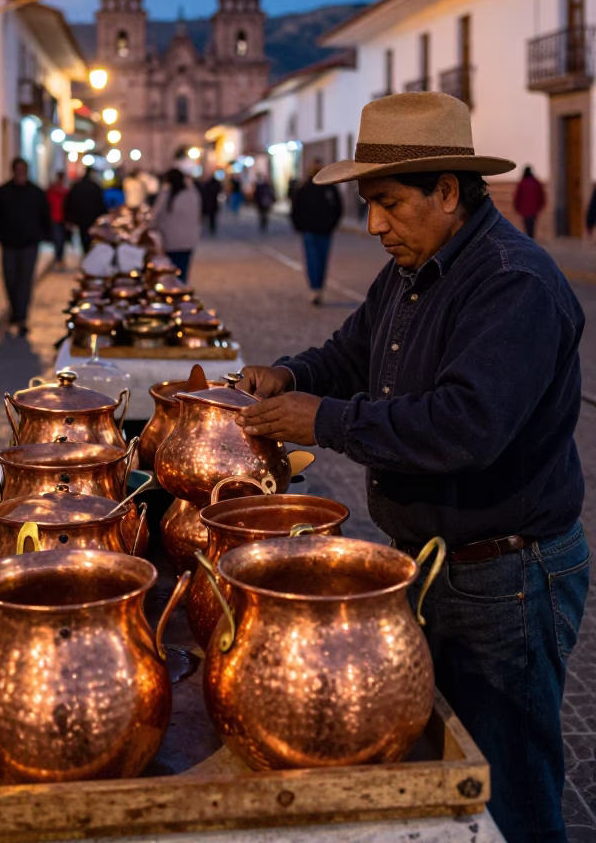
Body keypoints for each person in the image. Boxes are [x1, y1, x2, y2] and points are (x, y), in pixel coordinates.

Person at [234, 92, 589, 843]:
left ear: (449, 192)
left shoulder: (511, 283)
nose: (374, 226)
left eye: (389, 203)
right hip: (433, 566)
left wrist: (323, 422)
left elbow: (465, 428)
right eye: (368, 205)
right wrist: (290, 377)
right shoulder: (411, 267)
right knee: (446, 769)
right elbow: (352, 354)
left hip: (507, 578)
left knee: (506, 784)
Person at [0, 157, 51, 335]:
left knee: (25, 281)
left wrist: (45, 235)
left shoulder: (36, 192)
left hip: (29, 244)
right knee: (10, 280)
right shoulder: (3, 192)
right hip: (8, 243)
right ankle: (15, 310)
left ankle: (21, 317)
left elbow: (44, 214)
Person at [290, 159, 343, 305]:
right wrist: (299, 225)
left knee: (320, 260)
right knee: (314, 260)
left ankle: (317, 287)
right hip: (310, 230)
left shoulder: (329, 188)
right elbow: (296, 208)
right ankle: (315, 288)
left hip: (323, 230)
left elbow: (338, 208)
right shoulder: (305, 188)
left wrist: (331, 224)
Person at [151, 167, 201, 281]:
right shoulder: (192, 194)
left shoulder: (166, 194)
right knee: (182, 271)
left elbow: (155, 215)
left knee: (170, 271)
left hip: (170, 240)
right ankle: (181, 292)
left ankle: (172, 292)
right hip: (189, 240)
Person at [64, 166, 105, 254]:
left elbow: (70, 202)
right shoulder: (95, 186)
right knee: (92, 237)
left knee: (84, 237)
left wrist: (70, 218)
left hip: (81, 218)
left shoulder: (78, 186)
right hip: (92, 217)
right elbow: (101, 203)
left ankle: (86, 253)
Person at [513, 165, 546, 239]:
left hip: (524, 209)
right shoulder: (536, 183)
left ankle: (529, 238)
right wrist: (541, 206)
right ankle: (531, 238)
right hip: (534, 209)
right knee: (532, 225)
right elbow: (541, 195)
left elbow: (517, 197)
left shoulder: (522, 183)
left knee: (527, 225)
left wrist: (516, 207)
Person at [46, 170, 69, 269]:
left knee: (61, 240)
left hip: (62, 219)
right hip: (55, 218)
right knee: (57, 239)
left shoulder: (65, 191)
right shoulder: (52, 191)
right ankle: (58, 258)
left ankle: (59, 258)